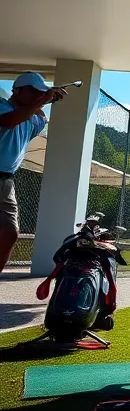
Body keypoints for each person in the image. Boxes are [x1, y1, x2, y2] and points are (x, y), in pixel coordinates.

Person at [0, 74, 69, 270]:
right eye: (35, 91)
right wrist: (44, 100)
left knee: (9, 233)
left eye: (41, 92)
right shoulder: (2, 105)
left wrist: (45, 102)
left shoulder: (33, 119)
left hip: (6, 182)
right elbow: (9, 121)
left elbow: (38, 117)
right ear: (17, 90)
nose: (39, 96)